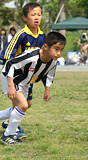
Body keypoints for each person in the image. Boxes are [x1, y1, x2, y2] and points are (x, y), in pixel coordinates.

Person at [0, 31, 66, 145]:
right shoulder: (32, 56)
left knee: (24, 106)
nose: (59, 53)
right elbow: (10, 64)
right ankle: (7, 135)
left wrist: (47, 89)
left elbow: (50, 75)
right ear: (45, 47)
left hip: (24, 82)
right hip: (11, 77)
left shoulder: (53, 61)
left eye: (61, 50)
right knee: (23, 105)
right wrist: (10, 86)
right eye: (56, 49)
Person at [0, 2, 46, 139]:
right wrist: (10, 84)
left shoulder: (43, 36)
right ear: (25, 18)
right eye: (33, 15)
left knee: (27, 104)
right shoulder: (21, 35)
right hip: (13, 75)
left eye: (39, 14)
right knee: (21, 105)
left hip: (27, 77)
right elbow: (7, 57)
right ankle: (11, 131)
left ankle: (9, 122)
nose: (37, 17)